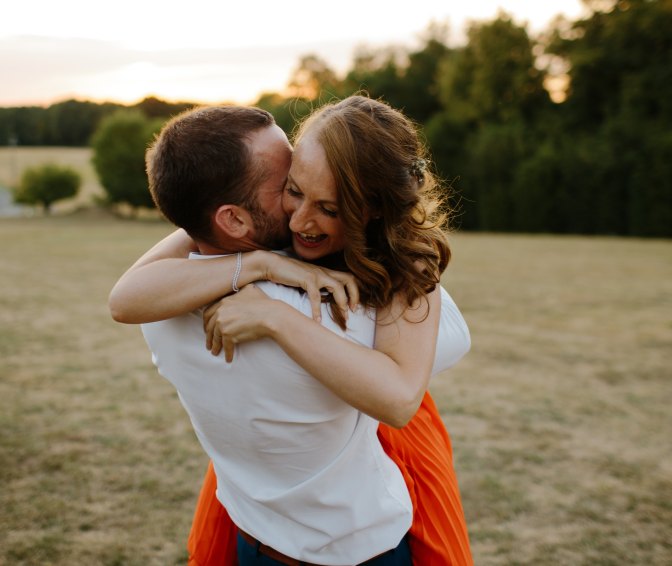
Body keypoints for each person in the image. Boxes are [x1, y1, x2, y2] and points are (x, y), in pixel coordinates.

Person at [109, 98, 473, 565]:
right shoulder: (349, 313)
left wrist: (267, 299)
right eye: (291, 188)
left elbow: (128, 294)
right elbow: (441, 352)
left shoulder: (172, 298)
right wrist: (265, 272)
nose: (300, 220)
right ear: (234, 217)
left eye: (329, 206)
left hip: (250, 532)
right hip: (356, 546)